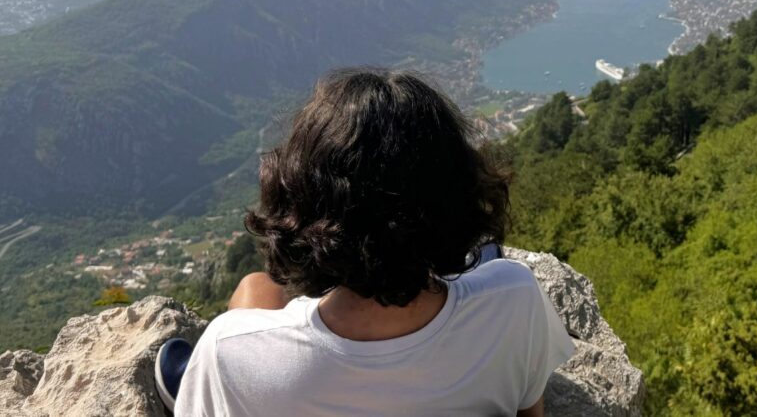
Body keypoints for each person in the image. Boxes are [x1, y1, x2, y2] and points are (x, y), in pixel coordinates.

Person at [162, 69, 574, 416]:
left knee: (255, 289)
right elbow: (528, 412)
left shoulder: (227, 350)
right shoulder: (514, 298)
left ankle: (196, 388)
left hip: (269, 379)